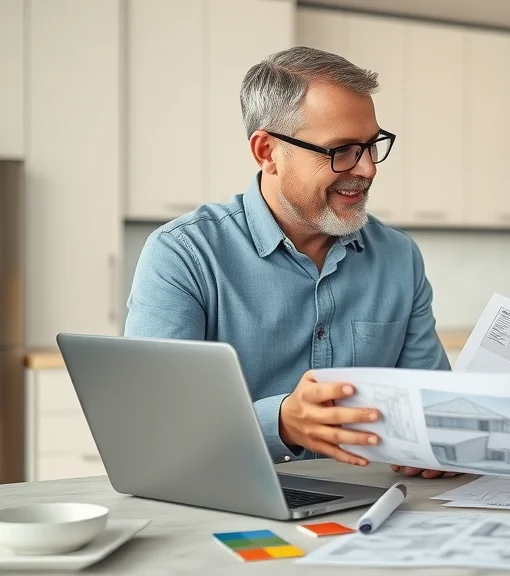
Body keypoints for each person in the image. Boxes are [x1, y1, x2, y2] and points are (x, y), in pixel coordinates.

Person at [123, 46, 455, 479]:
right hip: (227, 503)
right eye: (342, 150)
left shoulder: (399, 257)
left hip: (377, 508)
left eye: (373, 145)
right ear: (266, 152)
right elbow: (151, 425)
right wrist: (279, 422)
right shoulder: (183, 254)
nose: (369, 169)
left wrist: (438, 443)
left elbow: (431, 410)